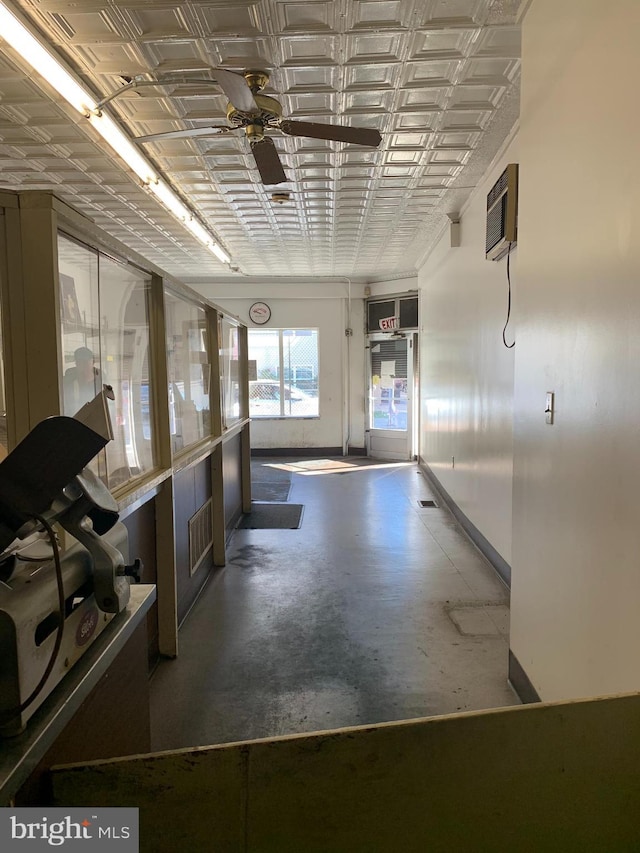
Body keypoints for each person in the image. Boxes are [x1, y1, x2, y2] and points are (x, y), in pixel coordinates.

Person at [63, 346, 103, 414]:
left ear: (92, 362)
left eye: (86, 363)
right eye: (80, 363)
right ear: (76, 364)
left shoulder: (100, 382)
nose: (84, 367)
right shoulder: (69, 382)